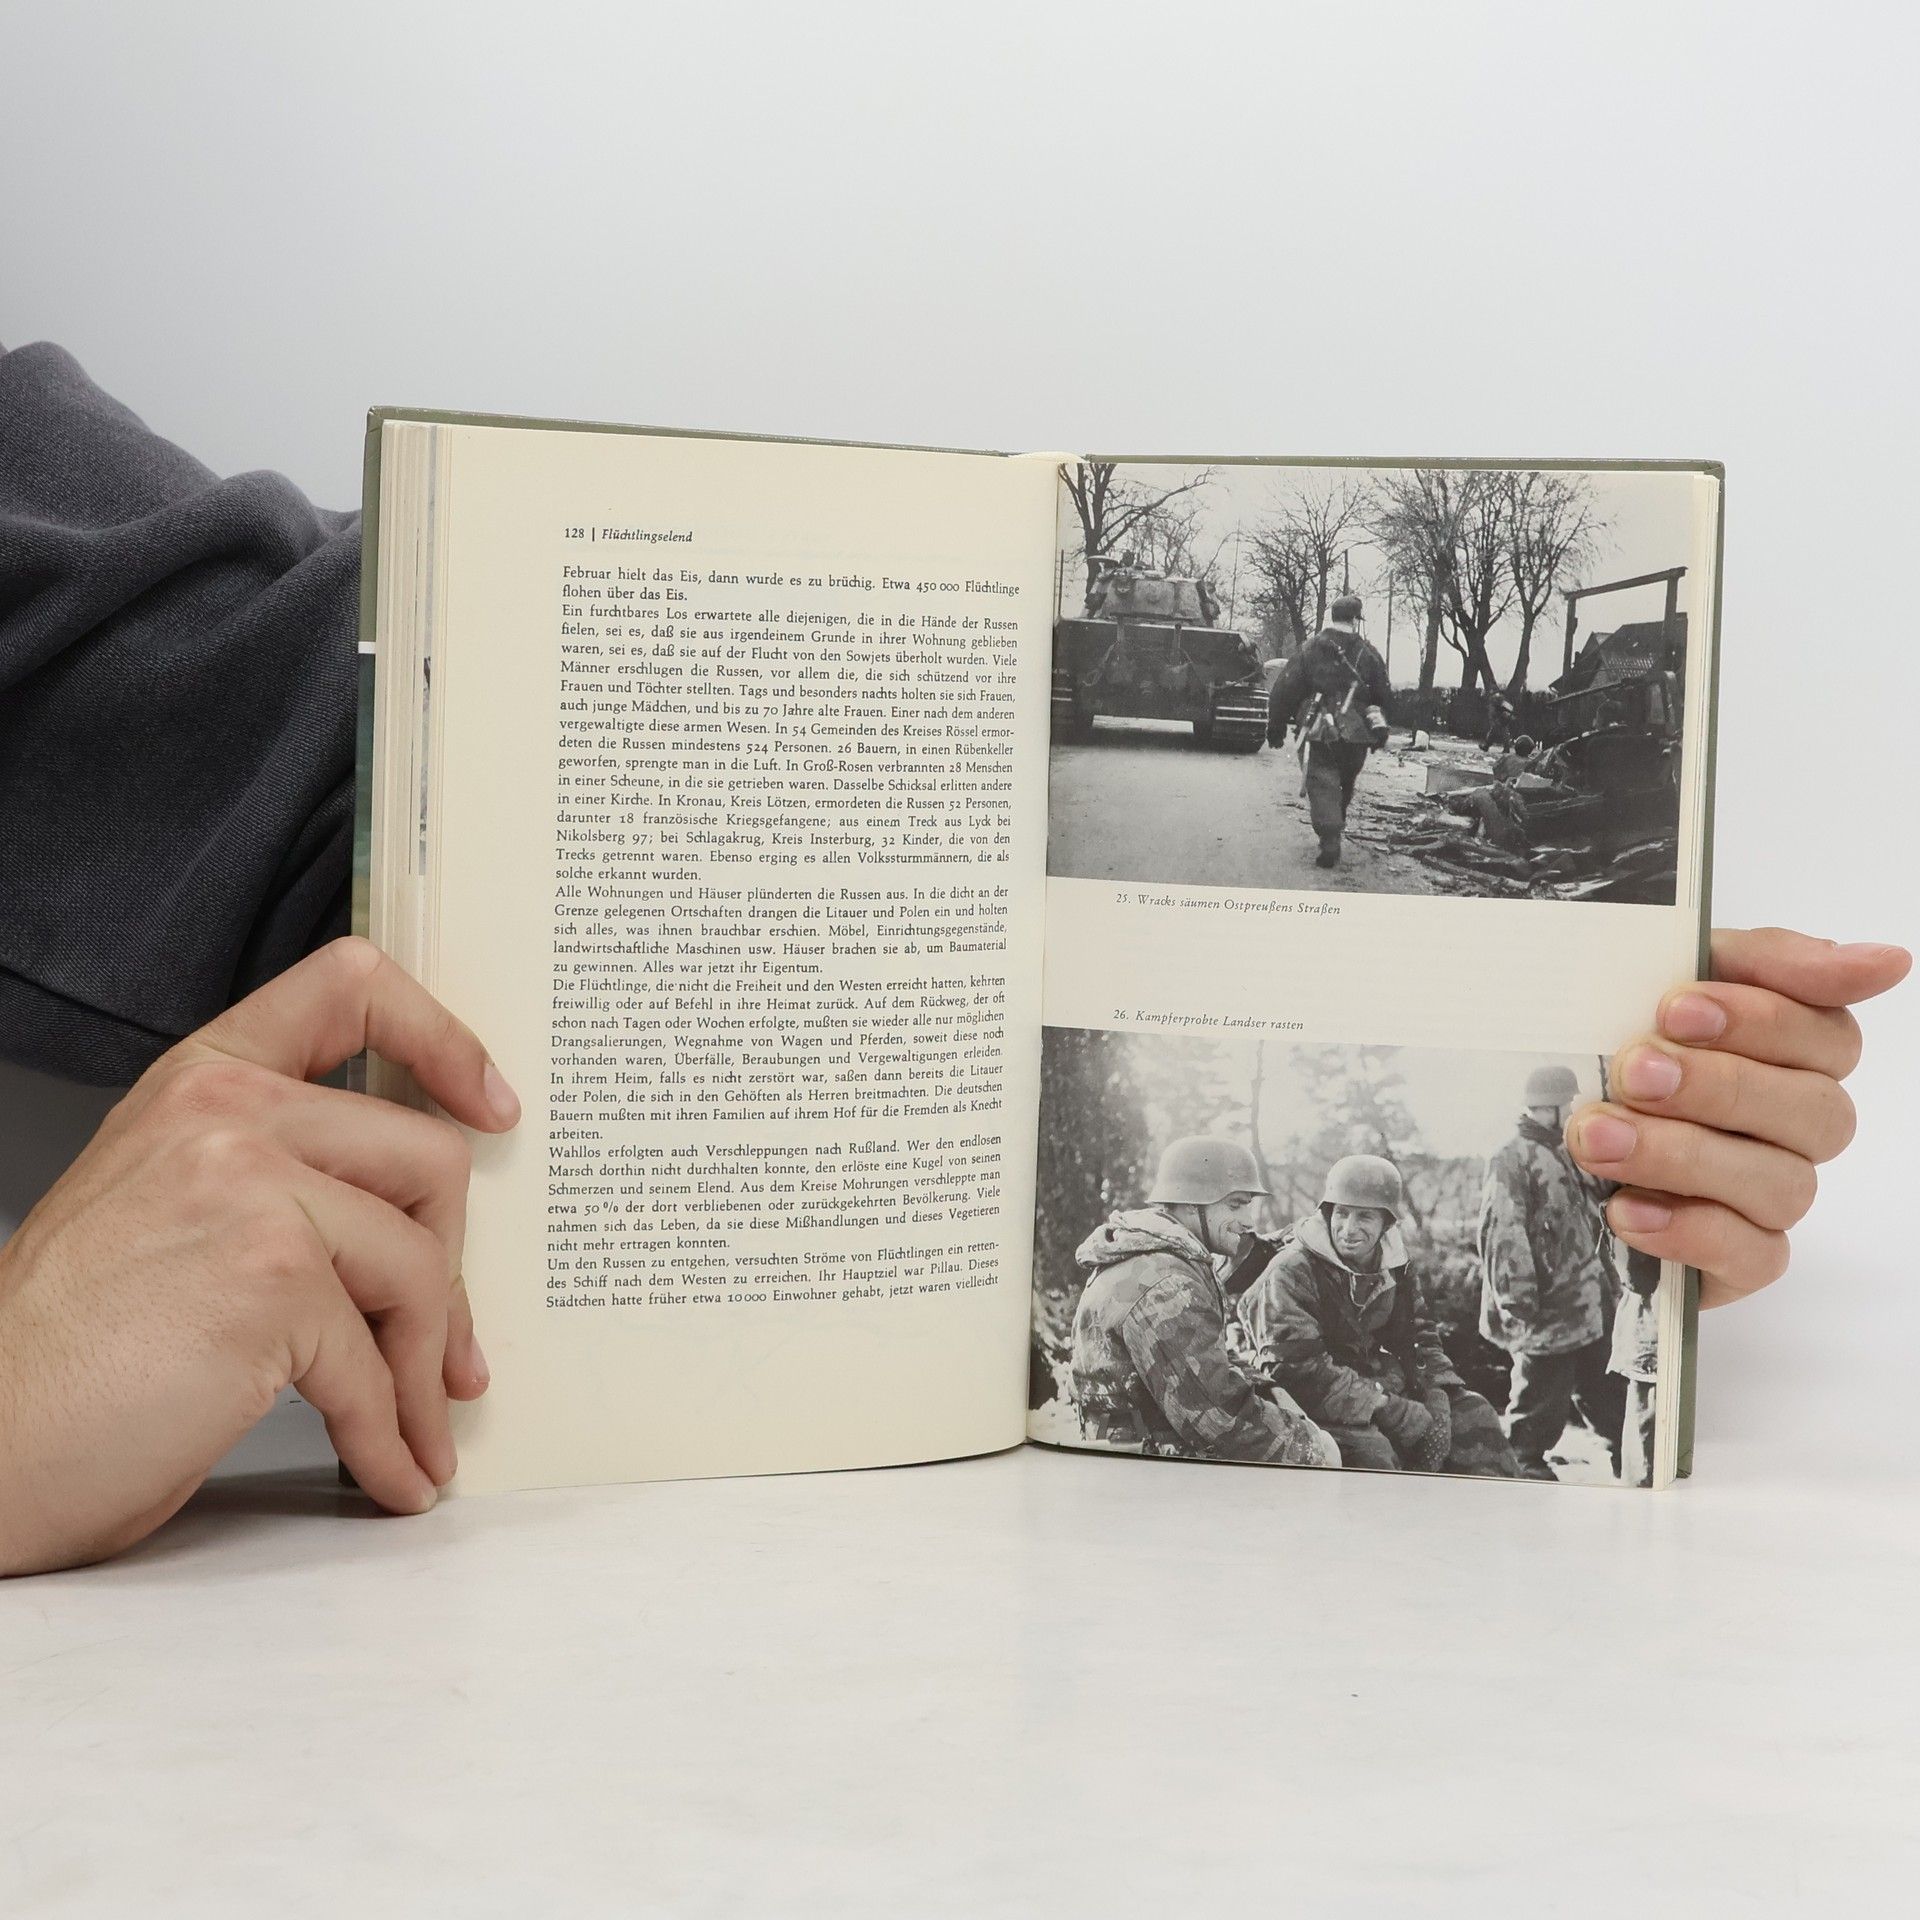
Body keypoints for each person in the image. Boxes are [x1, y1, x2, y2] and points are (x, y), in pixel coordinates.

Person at [0, 340, 1909, 1572]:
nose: (1329, 1219)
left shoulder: (1318, 1239)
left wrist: (1581, 1030)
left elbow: (282, 709)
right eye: (1320, 1203)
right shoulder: (1198, 1277)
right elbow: (1292, 1392)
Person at [1235, 1155, 1518, 1475]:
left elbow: (1418, 1334)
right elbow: (1295, 1369)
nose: (1348, 1229)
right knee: (1373, 1453)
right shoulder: (1290, 1271)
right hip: (1294, 1391)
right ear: (1327, 1213)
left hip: (1361, 1378)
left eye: (1365, 1217)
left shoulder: (1392, 1265)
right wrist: (1387, 1407)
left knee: (1475, 1414)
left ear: (1387, 1223)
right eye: (1341, 1213)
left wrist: (1437, 1388)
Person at [1068, 1138, 1337, 1466]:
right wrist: (1312, 1447)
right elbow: (1216, 1419)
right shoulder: (1165, 1283)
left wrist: (1269, 1389)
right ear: (1189, 1205)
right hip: (1142, 1468)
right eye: (1235, 1205)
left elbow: (1208, 1354)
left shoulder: (1167, 1262)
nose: (1249, 1221)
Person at [1478, 1064, 1627, 1478]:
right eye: (1567, 1104)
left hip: (1588, 1302)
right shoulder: (1510, 1157)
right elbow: (1503, 1231)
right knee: (1540, 1398)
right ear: (1549, 1106)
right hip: (1545, 1307)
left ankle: (1629, 1458)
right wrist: (1519, 1301)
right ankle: (1524, 1469)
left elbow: (1592, 1211)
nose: (1571, 1111)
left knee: (1606, 1389)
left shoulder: (1564, 1151)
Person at [1265, 591, 1392, 869]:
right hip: (1356, 732)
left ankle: (1330, 836)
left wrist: (1275, 727)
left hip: (1317, 727)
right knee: (1345, 782)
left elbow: (1286, 687)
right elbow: (1383, 693)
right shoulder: (1369, 652)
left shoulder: (1310, 648)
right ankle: (1335, 824)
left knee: (1322, 780)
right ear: (1356, 620)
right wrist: (1379, 729)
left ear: (1332, 617)